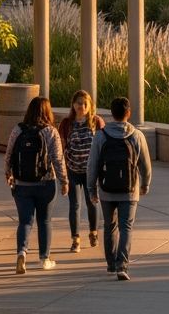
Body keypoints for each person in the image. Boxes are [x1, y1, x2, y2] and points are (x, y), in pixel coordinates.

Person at [88, 96, 152, 281]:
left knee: (110, 226)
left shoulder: (101, 135)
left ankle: (111, 263)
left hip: (107, 190)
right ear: (128, 113)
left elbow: (92, 165)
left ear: (111, 114)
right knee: (126, 227)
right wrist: (145, 184)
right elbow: (145, 164)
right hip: (130, 190)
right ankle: (122, 265)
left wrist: (92, 189)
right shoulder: (137, 135)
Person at [4, 95, 69, 274]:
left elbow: (9, 154)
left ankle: (21, 254)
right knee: (44, 220)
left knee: (25, 221)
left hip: (22, 184)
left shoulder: (18, 129)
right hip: (45, 183)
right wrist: (64, 181)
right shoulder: (50, 131)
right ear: (48, 112)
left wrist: (8, 173)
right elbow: (57, 159)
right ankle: (44, 258)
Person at [58, 89, 105, 252]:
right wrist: (62, 172)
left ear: (90, 106)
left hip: (90, 171)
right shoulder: (66, 124)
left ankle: (93, 232)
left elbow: (103, 147)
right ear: (73, 104)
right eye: (79, 103)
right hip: (72, 169)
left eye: (85, 103)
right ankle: (75, 239)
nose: (82, 106)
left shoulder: (97, 122)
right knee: (74, 205)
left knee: (92, 202)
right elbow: (61, 147)